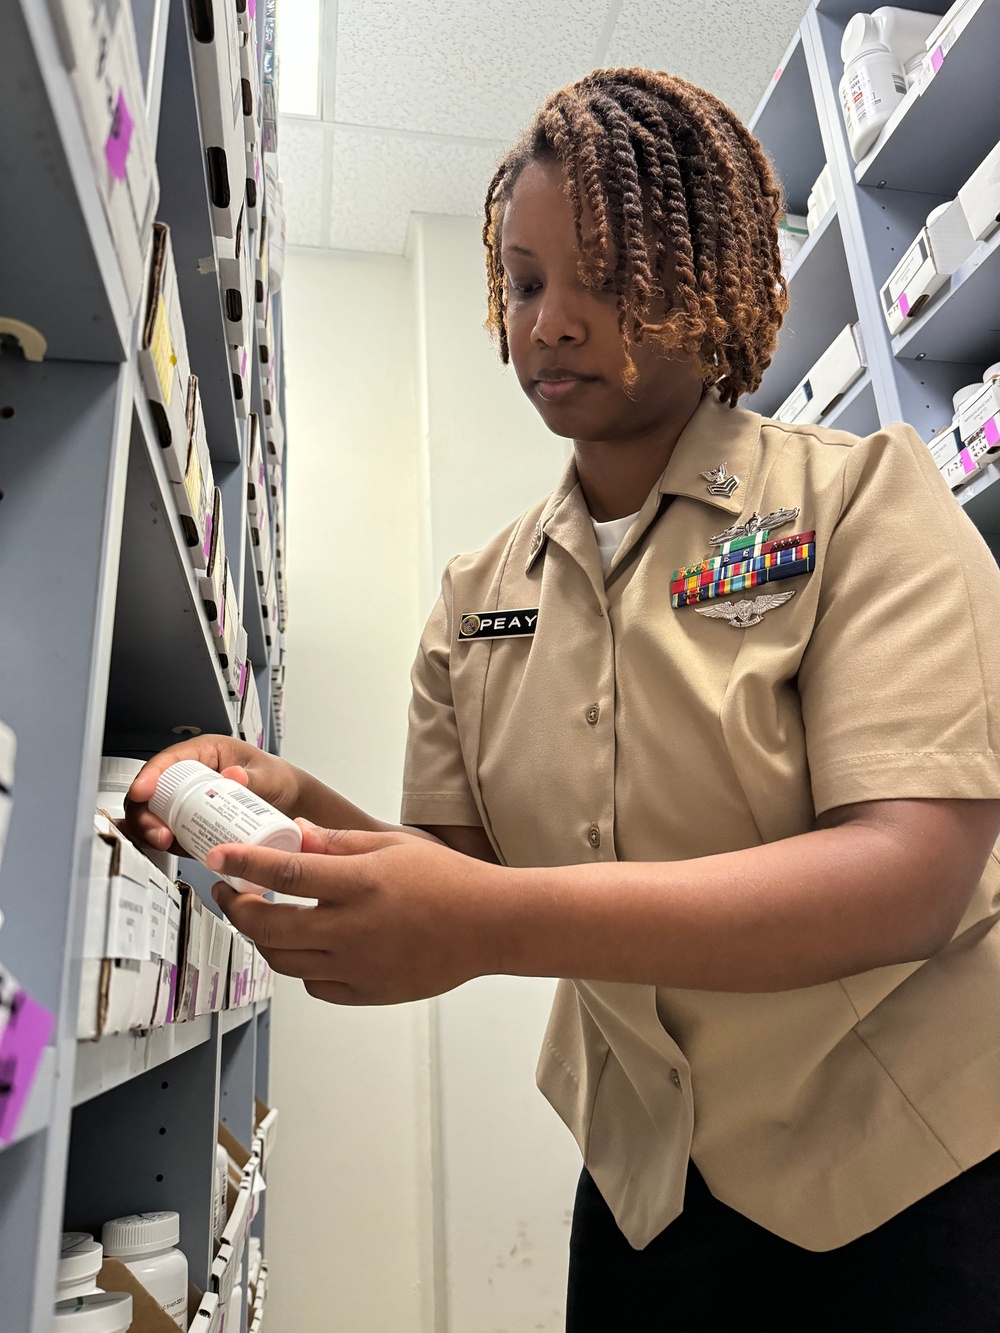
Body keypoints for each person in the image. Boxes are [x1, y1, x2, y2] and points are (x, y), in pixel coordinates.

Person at [128, 69, 1000, 1331]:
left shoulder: (858, 500)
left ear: (712, 274)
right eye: (528, 281)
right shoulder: (480, 593)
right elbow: (446, 872)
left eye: (609, 273)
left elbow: (909, 873)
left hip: (905, 1169)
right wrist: (290, 810)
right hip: (647, 1183)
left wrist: (485, 921)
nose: (553, 322)